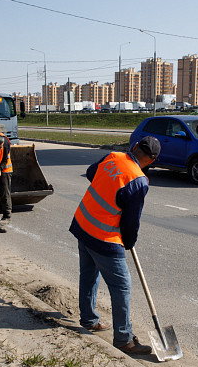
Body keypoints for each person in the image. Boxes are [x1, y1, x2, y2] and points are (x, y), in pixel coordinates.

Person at [69, 136, 161, 355]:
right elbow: (131, 221)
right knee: (122, 287)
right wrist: (128, 242)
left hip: (84, 224)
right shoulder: (138, 181)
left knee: (89, 275)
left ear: (135, 146)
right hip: (103, 237)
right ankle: (124, 339)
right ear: (152, 160)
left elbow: (92, 173)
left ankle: (89, 319)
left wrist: (109, 188)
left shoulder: (113, 156)